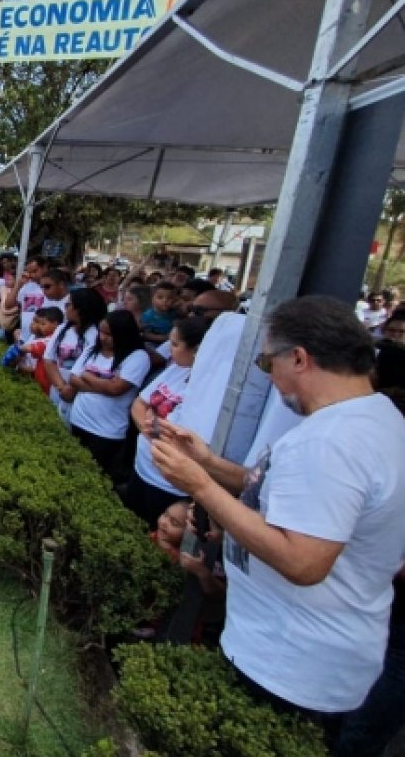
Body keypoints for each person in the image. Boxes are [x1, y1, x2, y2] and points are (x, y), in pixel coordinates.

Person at [150, 296, 405, 749]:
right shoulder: (375, 420)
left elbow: (304, 562)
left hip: (289, 668)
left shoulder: (332, 442)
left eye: (269, 361)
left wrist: (202, 488)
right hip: (302, 658)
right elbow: (287, 497)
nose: (269, 376)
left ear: (300, 358)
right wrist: (209, 464)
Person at [127, 315, 213, 528]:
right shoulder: (177, 368)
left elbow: (179, 438)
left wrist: (152, 424)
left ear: (197, 349)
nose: (168, 350)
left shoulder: (209, 388)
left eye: (175, 344)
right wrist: (151, 430)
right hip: (142, 467)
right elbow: (138, 404)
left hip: (167, 485)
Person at [65, 310, 150, 479]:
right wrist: (104, 385)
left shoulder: (138, 357)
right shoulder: (92, 349)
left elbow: (116, 389)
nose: (102, 337)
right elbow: (73, 379)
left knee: (93, 476)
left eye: (109, 334)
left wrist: (88, 377)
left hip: (106, 431)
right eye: (101, 332)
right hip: (79, 419)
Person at [44, 289, 108, 423]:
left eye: (69, 305)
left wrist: (72, 389)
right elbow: (49, 360)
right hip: (58, 389)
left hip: (80, 394)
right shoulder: (63, 329)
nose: (65, 308)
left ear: (81, 309)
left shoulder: (97, 335)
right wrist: (61, 387)